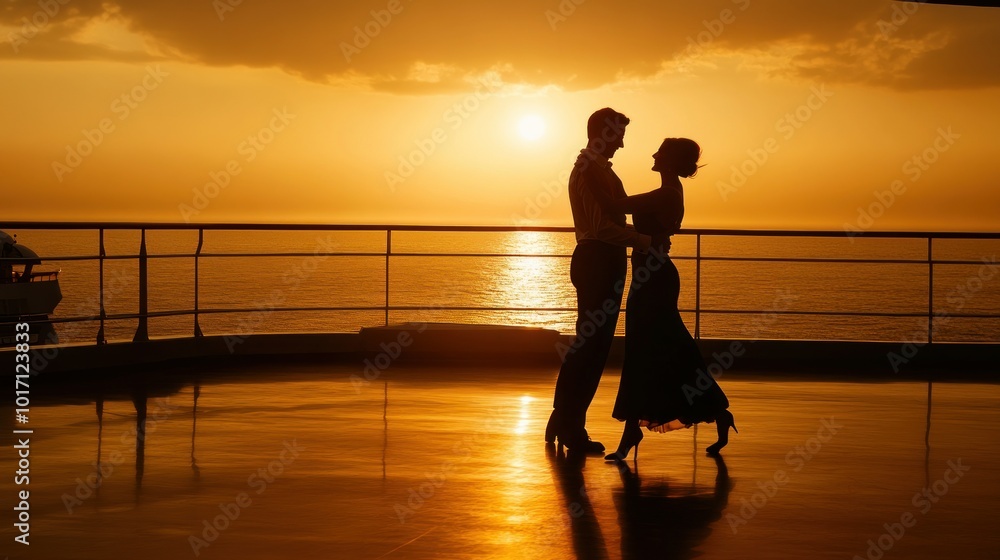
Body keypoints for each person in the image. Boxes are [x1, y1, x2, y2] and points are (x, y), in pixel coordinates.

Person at [604, 138, 737, 462]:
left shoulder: (665, 193)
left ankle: (712, 411)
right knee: (655, 351)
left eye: (659, 152)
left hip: (654, 280)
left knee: (654, 351)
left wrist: (596, 171)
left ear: (669, 159)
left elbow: (615, 206)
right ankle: (715, 413)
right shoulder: (668, 192)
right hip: (651, 276)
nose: (652, 154)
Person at [545, 108, 668, 454]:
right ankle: (570, 425)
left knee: (590, 346)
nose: (622, 144)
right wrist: (646, 240)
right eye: (618, 135)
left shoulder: (596, 171)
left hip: (602, 261)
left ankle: (564, 418)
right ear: (603, 133)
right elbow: (601, 229)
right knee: (591, 348)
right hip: (598, 260)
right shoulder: (589, 172)